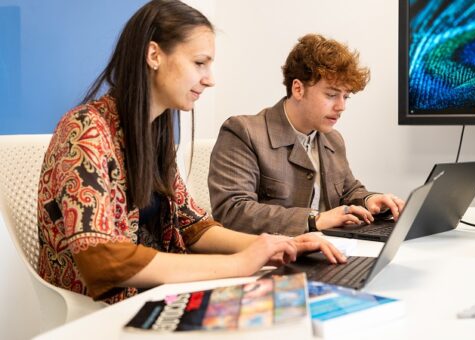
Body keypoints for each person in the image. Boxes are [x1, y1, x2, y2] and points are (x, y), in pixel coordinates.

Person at [36, 0, 344, 305]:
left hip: (153, 295)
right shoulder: (85, 130)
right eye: (199, 63)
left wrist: (275, 246)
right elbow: (101, 258)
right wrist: (239, 263)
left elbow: (193, 225)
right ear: (154, 55)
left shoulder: (154, 135)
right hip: (99, 310)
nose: (210, 78)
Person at [208, 34, 406, 236]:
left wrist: (369, 199)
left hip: (327, 252)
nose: (341, 106)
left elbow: (348, 192)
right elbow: (232, 212)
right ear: (298, 89)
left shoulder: (333, 139)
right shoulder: (243, 132)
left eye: (345, 97)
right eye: (331, 95)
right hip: (270, 259)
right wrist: (315, 219)